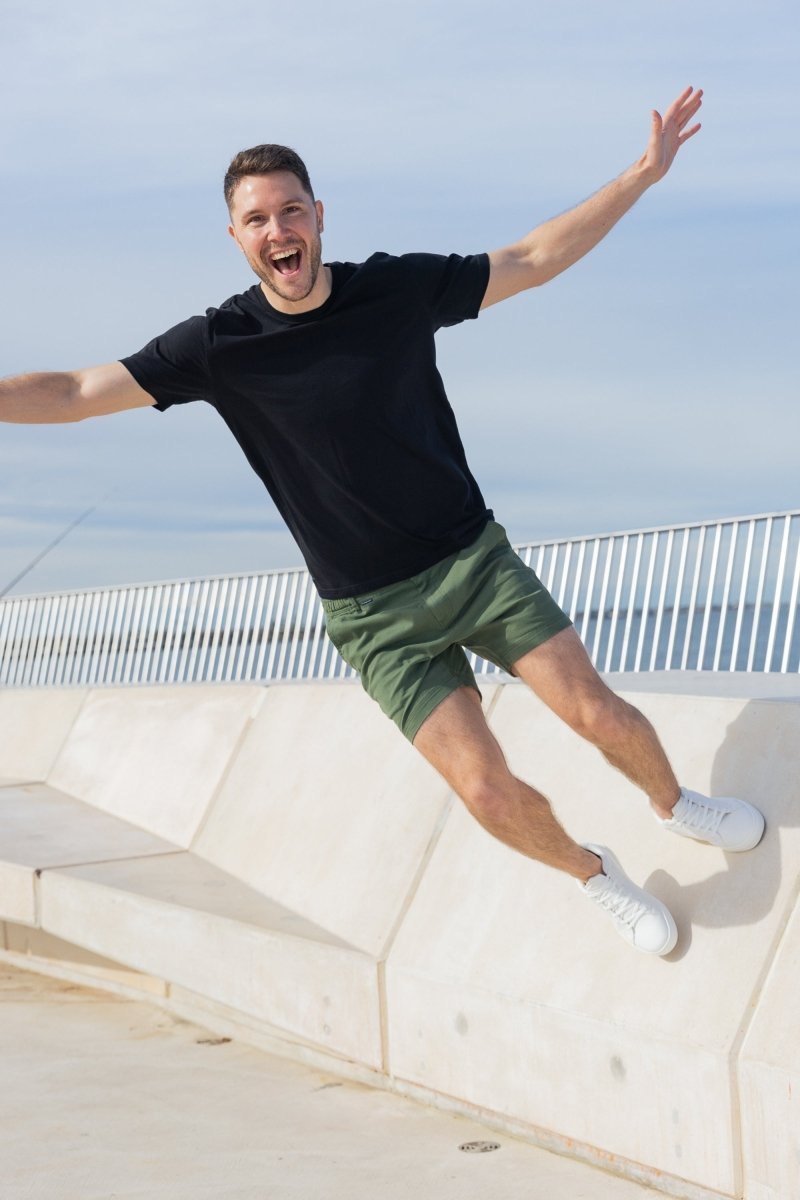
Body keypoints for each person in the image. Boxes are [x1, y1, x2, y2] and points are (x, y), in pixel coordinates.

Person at [0, 86, 764, 955]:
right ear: (237, 237)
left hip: (472, 561)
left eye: (292, 211)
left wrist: (643, 174)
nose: (278, 231)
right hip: (374, 618)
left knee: (596, 714)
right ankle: (596, 875)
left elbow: (533, 256)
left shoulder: (396, 291)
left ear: (319, 216)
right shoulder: (216, 347)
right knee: (484, 791)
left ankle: (675, 805)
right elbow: (72, 392)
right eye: (258, 220)